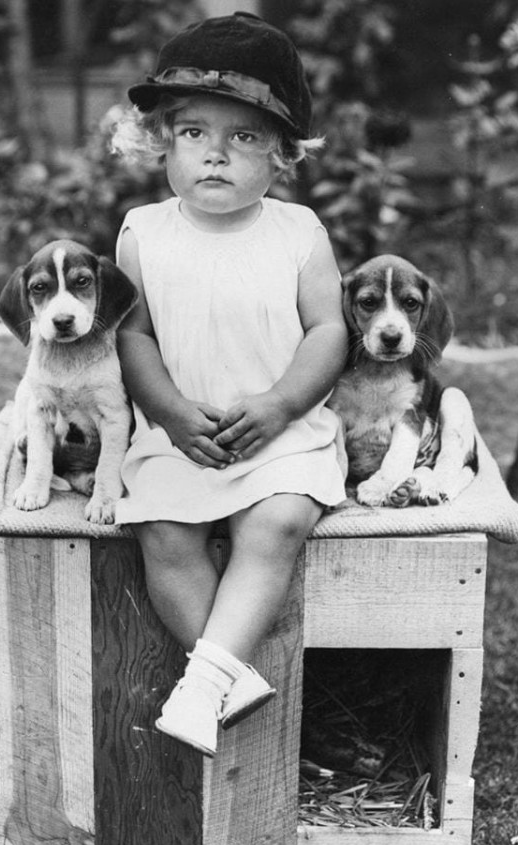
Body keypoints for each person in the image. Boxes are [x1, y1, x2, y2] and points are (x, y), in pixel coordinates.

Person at [111, 12, 347, 758]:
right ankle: (228, 680)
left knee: (277, 522)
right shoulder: (144, 232)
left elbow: (328, 331)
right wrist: (172, 413)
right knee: (163, 531)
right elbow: (133, 333)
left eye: (243, 137)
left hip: (280, 434)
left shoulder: (299, 232)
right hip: (183, 433)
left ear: (282, 155)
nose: (215, 154)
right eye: (193, 133)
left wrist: (280, 405)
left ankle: (203, 681)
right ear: (161, 142)